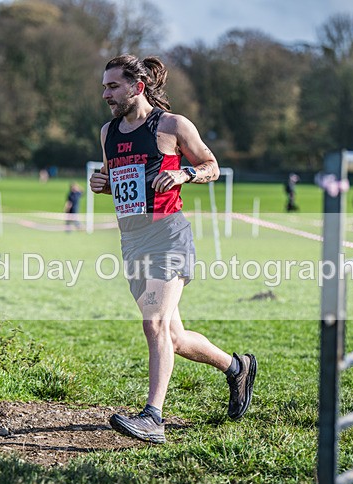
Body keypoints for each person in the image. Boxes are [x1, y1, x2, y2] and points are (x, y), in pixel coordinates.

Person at [89, 54, 257, 444]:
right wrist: (103, 182)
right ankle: (237, 368)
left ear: (137, 87)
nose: (105, 94)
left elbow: (212, 165)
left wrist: (185, 172)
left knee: (154, 325)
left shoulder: (172, 125)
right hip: (132, 242)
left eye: (112, 86)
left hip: (169, 237)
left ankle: (153, 418)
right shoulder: (108, 132)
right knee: (175, 338)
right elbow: (119, 180)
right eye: (104, 86)